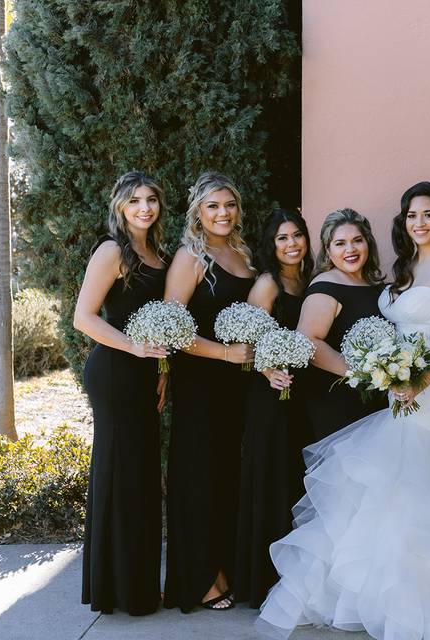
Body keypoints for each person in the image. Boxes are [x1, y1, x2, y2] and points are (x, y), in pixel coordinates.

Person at [257, 182, 430, 640]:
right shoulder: (403, 270)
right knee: (393, 490)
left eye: (428, 214)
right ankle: (382, 598)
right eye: (412, 215)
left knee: (427, 489)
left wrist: (417, 381)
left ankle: (428, 601)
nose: (420, 223)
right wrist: (383, 375)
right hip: (397, 389)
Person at [74, 171, 167, 615]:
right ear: (120, 207)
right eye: (135, 201)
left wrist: (161, 368)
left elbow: (161, 322)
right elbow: (84, 317)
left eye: (151, 200)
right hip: (114, 371)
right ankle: (115, 590)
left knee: (143, 476)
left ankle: (140, 586)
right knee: (119, 473)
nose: (145, 208)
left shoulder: (158, 252)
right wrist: (133, 347)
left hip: (146, 373)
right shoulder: (113, 251)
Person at [163, 172, 256, 612]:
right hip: (201, 382)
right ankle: (202, 578)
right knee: (200, 476)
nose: (223, 213)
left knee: (228, 478)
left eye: (230, 205)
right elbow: (172, 328)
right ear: (198, 212)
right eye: (213, 206)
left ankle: (229, 566)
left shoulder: (240, 252)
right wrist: (225, 354)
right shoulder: (190, 257)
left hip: (239, 384)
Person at [233, 209, 314, 608]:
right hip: (272, 396)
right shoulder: (267, 284)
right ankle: (261, 581)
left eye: (297, 236)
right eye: (282, 238)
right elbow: (249, 343)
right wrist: (269, 372)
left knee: (294, 481)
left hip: (304, 397)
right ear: (271, 244)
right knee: (271, 479)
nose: (292, 244)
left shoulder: (309, 280)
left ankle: (295, 578)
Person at [297, 207, 388, 439]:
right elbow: (308, 342)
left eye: (357, 240)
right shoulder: (325, 285)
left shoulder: (376, 286)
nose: (350, 249)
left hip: (375, 400)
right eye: (340, 243)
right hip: (338, 401)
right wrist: (363, 374)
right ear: (328, 250)